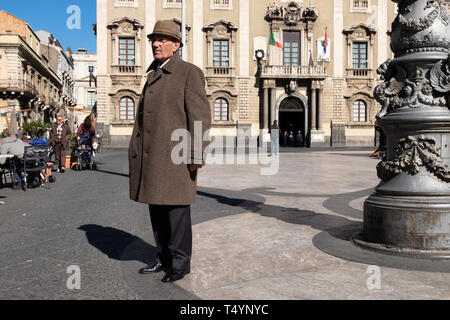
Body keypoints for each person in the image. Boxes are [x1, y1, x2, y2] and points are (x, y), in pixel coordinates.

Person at [128, 19, 211, 283]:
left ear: (176, 45)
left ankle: (180, 264)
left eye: (163, 40)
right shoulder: (153, 74)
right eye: (154, 39)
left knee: (176, 216)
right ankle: (162, 258)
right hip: (152, 158)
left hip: (177, 159)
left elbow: (199, 118)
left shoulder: (189, 72)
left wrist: (196, 155)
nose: (156, 44)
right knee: (158, 214)